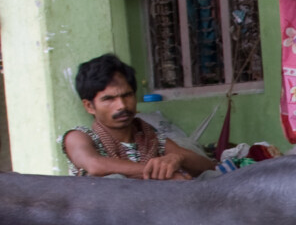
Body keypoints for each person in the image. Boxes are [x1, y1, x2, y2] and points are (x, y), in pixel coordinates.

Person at [62, 54, 216, 179]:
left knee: (208, 177)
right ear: (89, 106)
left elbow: (209, 166)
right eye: (109, 99)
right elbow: (94, 165)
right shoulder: (79, 137)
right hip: (110, 215)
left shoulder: (150, 137)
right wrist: (160, 175)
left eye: (127, 95)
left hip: (154, 211)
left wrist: (178, 158)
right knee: (114, 180)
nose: (122, 105)